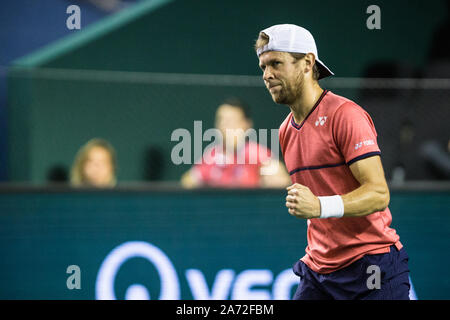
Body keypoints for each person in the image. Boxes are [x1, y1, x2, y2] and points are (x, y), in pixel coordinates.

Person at [254, 24, 410, 299]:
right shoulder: (285, 130)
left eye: (276, 63)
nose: (267, 75)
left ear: (307, 63)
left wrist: (319, 205)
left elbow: (378, 193)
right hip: (319, 273)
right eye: (263, 66)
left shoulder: (345, 115)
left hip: (372, 267)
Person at [181, 98, 290, 188]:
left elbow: (282, 182)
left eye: (230, 120)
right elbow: (188, 181)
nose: (224, 125)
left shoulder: (257, 154)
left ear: (246, 124)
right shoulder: (211, 155)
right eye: (221, 120)